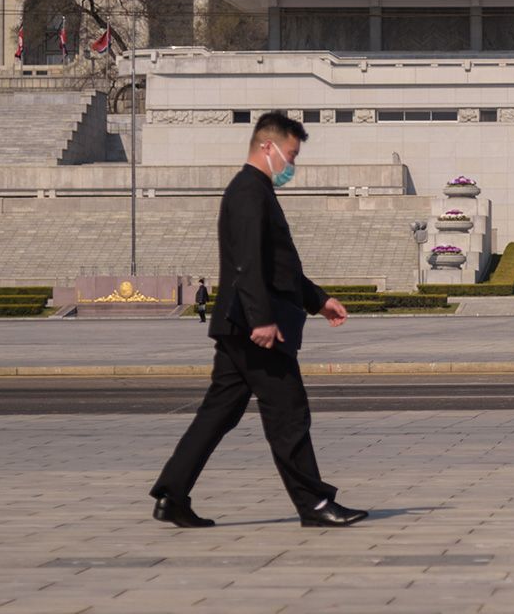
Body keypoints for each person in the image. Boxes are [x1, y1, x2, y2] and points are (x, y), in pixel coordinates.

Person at [150, 112, 366, 529]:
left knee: (218, 414)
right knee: (289, 413)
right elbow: (247, 264)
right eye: (290, 155)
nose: (292, 165)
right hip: (256, 330)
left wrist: (319, 301)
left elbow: (278, 267)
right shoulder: (249, 192)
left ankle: (172, 495)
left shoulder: (256, 190)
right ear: (267, 147)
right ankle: (315, 504)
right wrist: (262, 320)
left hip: (241, 325)